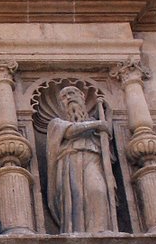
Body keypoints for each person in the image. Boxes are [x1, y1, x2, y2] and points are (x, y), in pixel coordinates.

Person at [46, 85, 115, 234]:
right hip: (70, 160)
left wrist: (106, 115)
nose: (69, 98)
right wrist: (98, 124)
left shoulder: (95, 124)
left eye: (71, 93)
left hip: (93, 159)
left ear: (82, 97)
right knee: (76, 196)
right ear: (61, 104)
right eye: (64, 97)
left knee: (97, 190)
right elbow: (70, 132)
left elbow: (108, 140)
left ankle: (100, 229)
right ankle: (76, 231)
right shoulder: (57, 123)